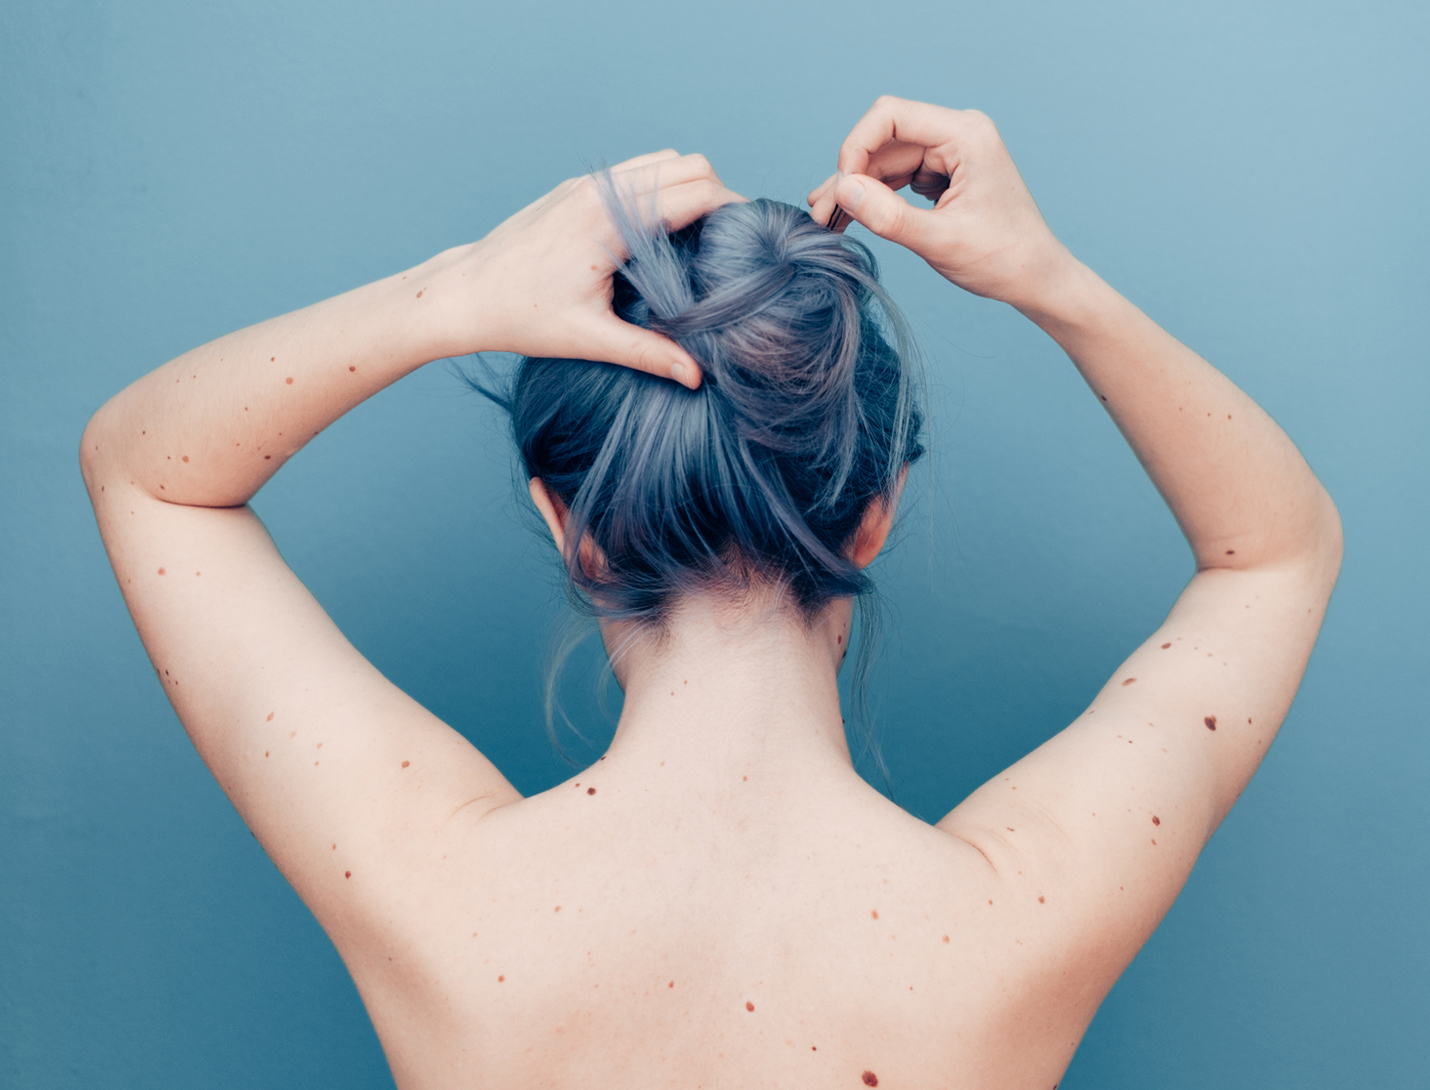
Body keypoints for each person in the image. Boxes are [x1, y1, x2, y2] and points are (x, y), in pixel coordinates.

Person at [80, 97, 1341, 1088]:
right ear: (871, 512)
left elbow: (147, 471)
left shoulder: (436, 891)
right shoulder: (1011, 921)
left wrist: (451, 294)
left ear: (568, 526)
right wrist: (1051, 280)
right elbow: (1275, 552)